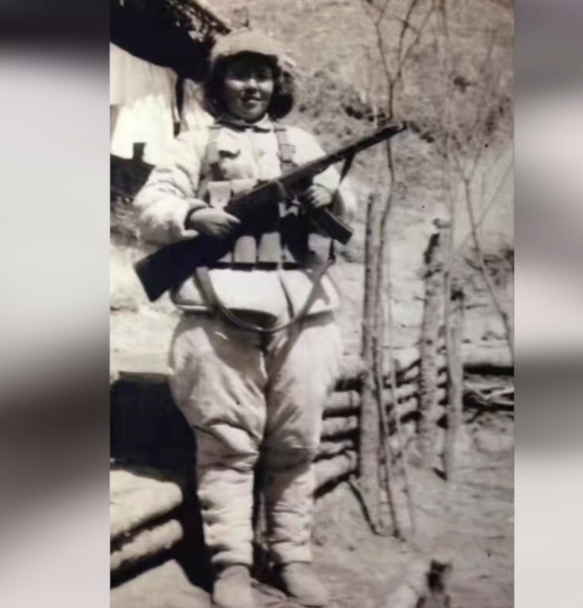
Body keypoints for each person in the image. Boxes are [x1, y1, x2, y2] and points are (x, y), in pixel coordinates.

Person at [132, 30, 352, 608]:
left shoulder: (301, 143)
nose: (252, 86)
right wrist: (192, 214)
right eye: (240, 73)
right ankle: (231, 564)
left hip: (304, 308)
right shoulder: (194, 142)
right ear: (219, 82)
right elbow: (151, 204)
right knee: (227, 446)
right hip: (216, 308)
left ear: (277, 83)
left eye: (263, 75)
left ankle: (292, 557)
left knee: (297, 443)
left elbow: (345, 205)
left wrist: (326, 200)